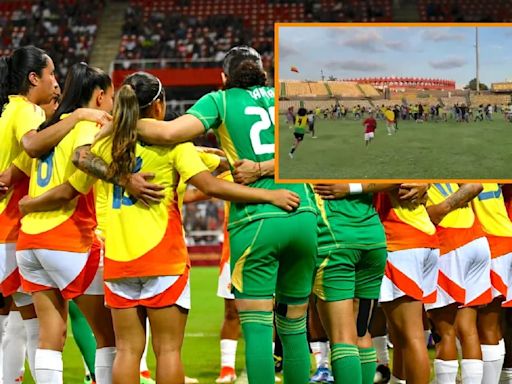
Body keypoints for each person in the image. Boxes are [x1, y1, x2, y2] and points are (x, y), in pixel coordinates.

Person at [23, 69, 302, 384]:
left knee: (127, 350)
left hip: (119, 261)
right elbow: (211, 184)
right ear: (159, 106)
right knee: (168, 350)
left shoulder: (103, 147)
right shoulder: (174, 144)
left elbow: (78, 164)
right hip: (163, 258)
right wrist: (268, 191)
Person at [96, 46, 319, 384]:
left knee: (257, 329)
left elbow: (170, 133)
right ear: (263, 71)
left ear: (224, 78)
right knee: (294, 326)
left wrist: (118, 124)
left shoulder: (219, 101)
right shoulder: (289, 96)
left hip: (255, 222)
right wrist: (269, 166)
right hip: (302, 213)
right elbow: (312, 145)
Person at [0, 45, 110, 382]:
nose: (55, 83)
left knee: (28, 324)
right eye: (50, 75)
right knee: (104, 335)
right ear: (34, 78)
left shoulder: (8, 111)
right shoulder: (31, 113)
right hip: (35, 230)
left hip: (24, 234)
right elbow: (32, 150)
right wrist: (76, 116)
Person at [426, 183, 491, 384]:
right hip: (476, 238)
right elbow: (475, 185)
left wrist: (442, 208)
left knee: (444, 331)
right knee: (468, 327)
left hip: (449, 240)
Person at [375, 184, 439, 384]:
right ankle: (397, 380)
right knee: (403, 333)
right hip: (424, 237)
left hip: (400, 240)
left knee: (412, 336)